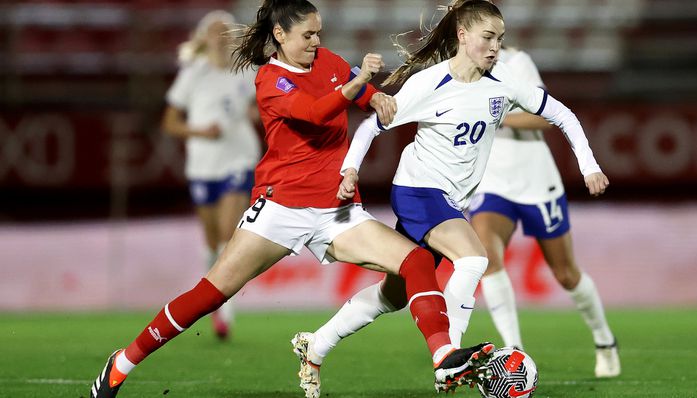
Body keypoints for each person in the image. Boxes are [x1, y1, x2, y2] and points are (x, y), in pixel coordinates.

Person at [89, 1, 493, 397]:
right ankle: (122, 363)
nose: (316, 41)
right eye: (307, 34)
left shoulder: (329, 61)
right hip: (280, 208)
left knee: (417, 260)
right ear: (280, 35)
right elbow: (316, 112)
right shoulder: (271, 78)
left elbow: (351, 82)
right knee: (211, 294)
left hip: (336, 212)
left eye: (319, 33)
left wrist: (371, 96)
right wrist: (357, 86)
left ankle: (444, 356)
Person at [290, 1, 610, 396]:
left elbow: (561, 114)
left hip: (450, 200)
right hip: (418, 190)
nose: (495, 47)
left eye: (500, 39)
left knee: (394, 295)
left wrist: (588, 165)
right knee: (475, 258)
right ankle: (449, 359)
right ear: (462, 36)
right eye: (487, 37)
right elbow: (372, 126)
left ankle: (315, 346)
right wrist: (349, 170)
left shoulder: (505, 80)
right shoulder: (432, 83)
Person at [467, 45, 621, 377]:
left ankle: (604, 339)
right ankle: (514, 351)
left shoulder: (515, 61)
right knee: (487, 258)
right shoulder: (450, 67)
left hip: (535, 181)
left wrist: (494, 116)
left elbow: (541, 118)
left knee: (566, 274)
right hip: (490, 182)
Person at [161, 10, 261, 340]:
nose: (221, 36)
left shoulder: (245, 73)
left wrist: (255, 112)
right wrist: (201, 132)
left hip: (239, 157)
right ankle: (213, 299)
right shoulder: (193, 74)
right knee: (210, 241)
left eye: (226, 31)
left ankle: (225, 312)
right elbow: (170, 122)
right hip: (203, 164)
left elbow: (264, 107)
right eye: (215, 31)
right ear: (204, 37)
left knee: (225, 233)